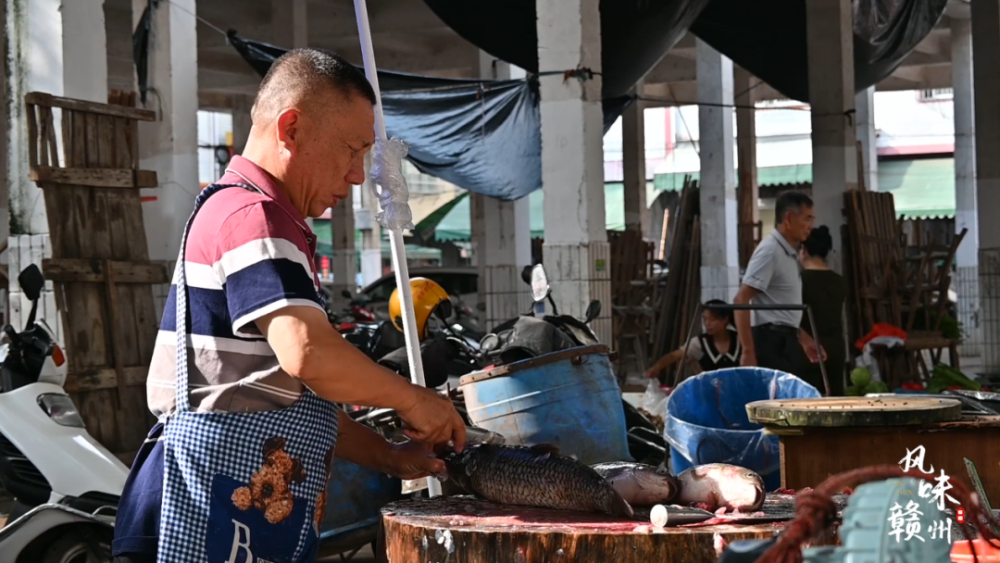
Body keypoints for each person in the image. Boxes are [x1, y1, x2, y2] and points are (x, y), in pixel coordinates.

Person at [112, 48, 466, 563]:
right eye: (351, 149)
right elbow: (308, 354)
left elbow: (288, 398)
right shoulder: (253, 217)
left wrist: (389, 458)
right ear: (292, 129)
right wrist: (413, 400)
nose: (356, 175)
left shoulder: (254, 216)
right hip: (190, 514)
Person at [734, 191, 825, 374]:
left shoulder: (789, 253)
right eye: (807, 219)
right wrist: (748, 350)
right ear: (789, 218)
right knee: (775, 401)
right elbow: (741, 299)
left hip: (785, 341)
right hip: (771, 343)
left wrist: (804, 338)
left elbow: (779, 310)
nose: (810, 226)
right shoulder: (770, 251)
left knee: (786, 400)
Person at [796, 225, 848, 395]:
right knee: (835, 403)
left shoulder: (800, 281)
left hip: (808, 349)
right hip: (836, 348)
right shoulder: (839, 281)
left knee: (810, 403)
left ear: (803, 250)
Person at [644, 299, 742, 378]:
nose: (707, 324)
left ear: (725, 319)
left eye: (712, 319)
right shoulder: (700, 343)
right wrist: (656, 367)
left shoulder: (740, 341)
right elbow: (674, 356)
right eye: (705, 319)